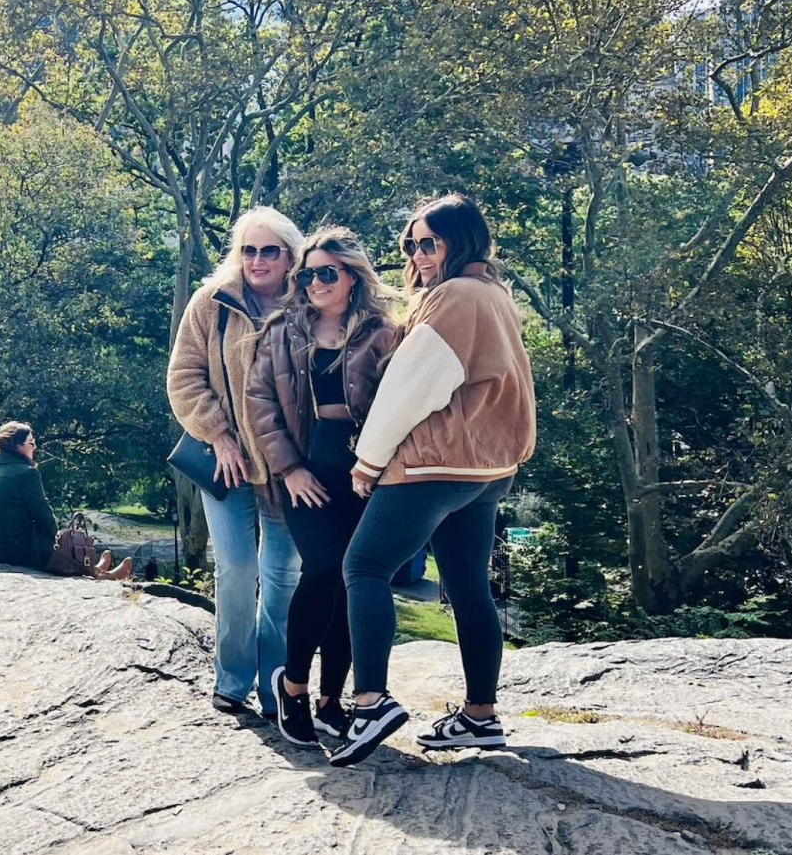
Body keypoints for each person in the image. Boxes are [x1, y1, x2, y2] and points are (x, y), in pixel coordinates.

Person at [330, 194, 536, 768]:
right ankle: (480, 717)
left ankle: (370, 702)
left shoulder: (453, 298)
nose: (419, 256)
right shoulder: (495, 294)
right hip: (487, 468)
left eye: (430, 243)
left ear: (460, 242)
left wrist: (368, 461)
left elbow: (411, 387)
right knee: (468, 583)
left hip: (434, 464)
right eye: (412, 244)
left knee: (363, 568)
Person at [246, 228, 399, 749]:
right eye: (306, 274)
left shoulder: (384, 332)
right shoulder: (281, 330)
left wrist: (377, 466)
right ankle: (292, 686)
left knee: (353, 579)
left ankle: (333, 701)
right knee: (325, 568)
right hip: (304, 470)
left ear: (353, 277)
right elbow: (259, 403)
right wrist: (288, 468)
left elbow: (402, 404)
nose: (313, 282)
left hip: (366, 471)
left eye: (325, 273)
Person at [167, 206, 304, 719]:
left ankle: (278, 690)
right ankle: (232, 679)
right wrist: (219, 436)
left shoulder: (308, 302)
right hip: (226, 465)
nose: (258, 260)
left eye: (270, 250)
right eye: (249, 249)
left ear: (291, 255)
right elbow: (183, 377)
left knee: (283, 576)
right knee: (236, 569)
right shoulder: (213, 303)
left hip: (286, 470)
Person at [0, 421, 133, 579]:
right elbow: (44, 517)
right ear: (17, 446)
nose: (34, 447)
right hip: (19, 553)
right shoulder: (26, 473)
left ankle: (93, 568)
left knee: (54, 543)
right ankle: (100, 574)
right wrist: (55, 540)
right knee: (61, 543)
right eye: (31, 442)